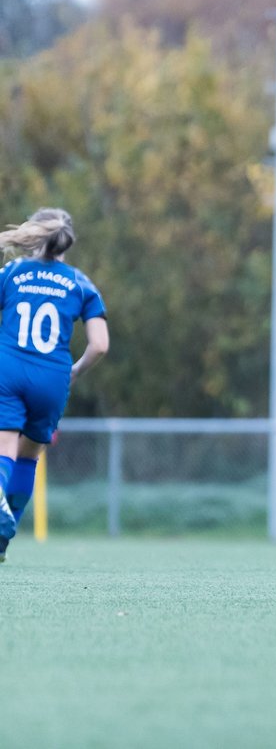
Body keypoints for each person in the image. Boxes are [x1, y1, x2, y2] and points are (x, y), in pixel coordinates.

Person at [0, 208, 109, 562]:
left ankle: (0, 520)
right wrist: (75, 371)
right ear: (66, 243)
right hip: (52, 378)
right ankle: (3, 536)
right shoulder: (80, 283)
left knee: (3, 450)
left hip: (10, 368)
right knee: (29, 458)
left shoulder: (13, 272)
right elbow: (100, 345)